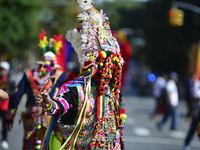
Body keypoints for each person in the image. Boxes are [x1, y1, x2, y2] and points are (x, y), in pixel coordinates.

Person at [36, 0, 125, 149]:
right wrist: (49, 104)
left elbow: (113, 130)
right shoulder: (76, 87)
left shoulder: (109, 91)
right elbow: (60, 105)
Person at [5, 31, 68, 150]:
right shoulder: (61, 75)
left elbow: (16, 95)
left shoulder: (29, 74)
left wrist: (10, 117)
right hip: (51, 117)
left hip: (31, 116)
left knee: (29, 142)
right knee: (46, 143)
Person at [0, 61, 15, 149]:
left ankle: (4, 140)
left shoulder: (11, 82)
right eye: (0, 69)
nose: (1, 72)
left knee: (5, 126)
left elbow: (11, 95)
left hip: (5, 107)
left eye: (3, 70)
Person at [183, 77, 200, 150]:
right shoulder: (197, 86)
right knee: (193, 128)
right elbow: (194, 97)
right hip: (197, 111)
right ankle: (186, 144)